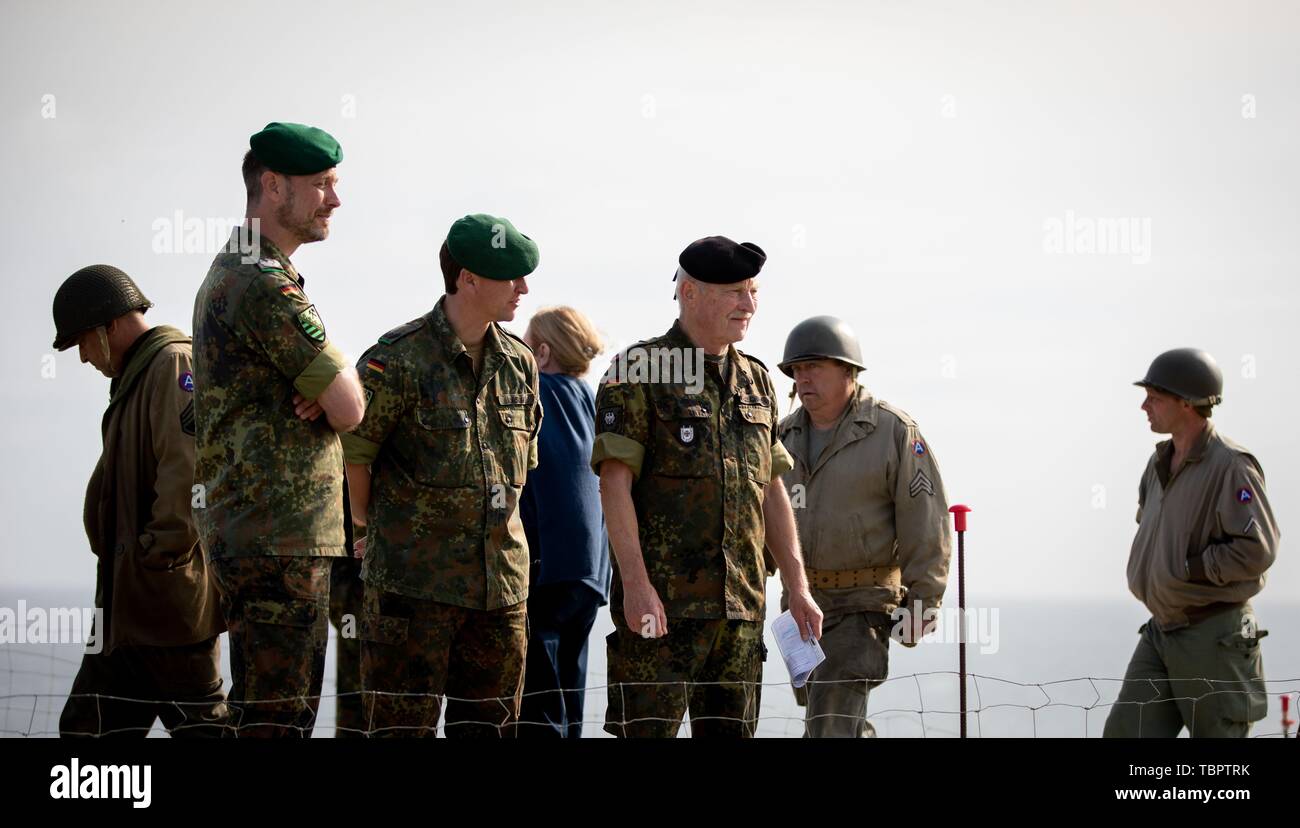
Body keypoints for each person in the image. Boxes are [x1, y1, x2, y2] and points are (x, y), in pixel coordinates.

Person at [591, 235, 823, 738]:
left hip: (739, 611)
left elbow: (770, 489)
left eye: (754, 291)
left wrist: (798, 586)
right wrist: (635, 587)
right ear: (690, 293)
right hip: (660, 611)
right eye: (735, 292)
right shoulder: (638, 371)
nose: (749, 305)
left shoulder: (756, 381)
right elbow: (615, 485)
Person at [191, 122, 366, 737]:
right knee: (278, 721)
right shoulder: (263, 282)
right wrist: (334, 383)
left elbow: (336, 400)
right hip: (278, 540)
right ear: (271, 185)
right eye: (320, 185)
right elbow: (349, 408)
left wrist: (327, 388)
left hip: (263, 533)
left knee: (267, 714)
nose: (335, 200)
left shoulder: (247, 268)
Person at [342, 214, 542, 737]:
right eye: (510, 276)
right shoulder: (396, 359)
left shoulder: (520, 364)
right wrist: (367, 530)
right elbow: (354, 457)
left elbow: (524, 471)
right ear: (468, 278)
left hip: (500, 596)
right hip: (412, 593)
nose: (523, 289)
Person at [53, 264, 227, 738]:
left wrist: (160, 556)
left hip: (164, 606)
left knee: (203, 730)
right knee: (87, 731)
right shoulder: (137, 376)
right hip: (129, 607)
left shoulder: (172, 364)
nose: (85, 358)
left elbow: (187, 469)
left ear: (109, 326)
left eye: (83, 342)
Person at [775, 315, 951, 738]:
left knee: (829, 722)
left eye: (815, 367)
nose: (804, 379)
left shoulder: (894, 431)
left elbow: (925, 519)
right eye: (798, 370)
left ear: (848, 370)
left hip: (864, 605)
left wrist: (924, 599)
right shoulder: (782, 435)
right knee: (831, 718)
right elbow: (764, 520)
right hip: (802, 607)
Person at [1103, 348, 1278, 738]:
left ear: (1187, 403)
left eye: (1155, 397)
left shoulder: (1231, 465)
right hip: (1161, 630)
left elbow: (1257, 550)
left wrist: (1189, 569)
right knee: (1125, 734)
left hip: (1213, 634)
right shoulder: (1159, 462)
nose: (1144, 405)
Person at [515, 306, 611, 738]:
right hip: (589, 573)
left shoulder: (538, 395)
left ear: (543, 351)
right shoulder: (588, 397)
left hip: (546, 568)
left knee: (539, 708)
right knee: (570, 702)